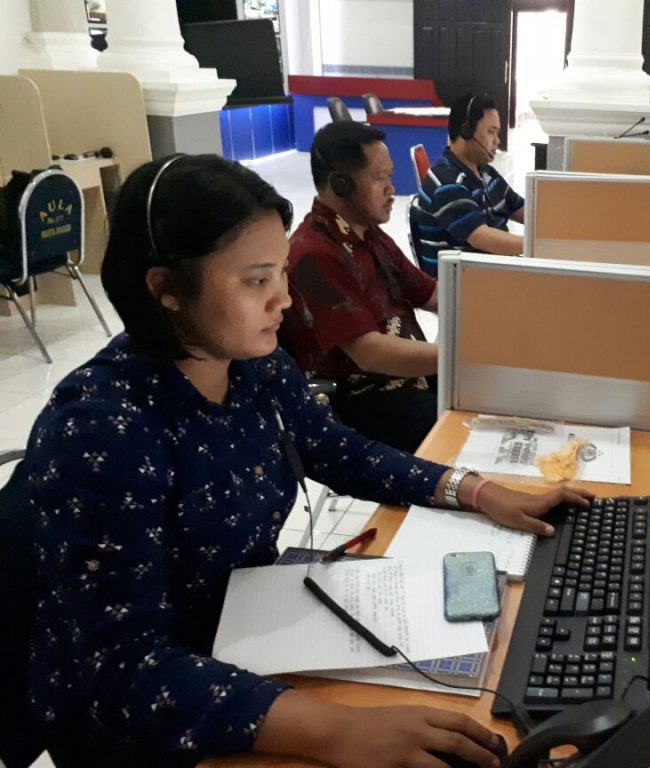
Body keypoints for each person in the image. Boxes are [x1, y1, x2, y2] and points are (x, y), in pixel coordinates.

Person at [24, 153, 591, 768]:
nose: (286, 301)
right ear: (166, 290)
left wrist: (476, 491)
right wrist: (337, 729)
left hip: (245, 639)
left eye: (282, 274)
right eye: (257, 281)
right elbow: (123, 670)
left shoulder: (254, 366)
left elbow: (339, 450)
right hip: (152, 715)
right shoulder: (102, 429)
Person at [283, 121, 440, 453]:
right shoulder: (313, 254)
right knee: (471, 431)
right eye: (380, 178)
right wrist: (464, 357)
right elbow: (370, 353)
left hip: (407, 380)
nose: (392, 188)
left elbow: (430, 293)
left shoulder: (370, 234)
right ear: (340, 184)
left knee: (496, 394)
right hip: (364, 398)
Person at [410, 92, 525, 267]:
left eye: (497, 133)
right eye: (491, 132)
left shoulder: (485, 172)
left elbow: (521, 209)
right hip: (462, 278)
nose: (497, 141)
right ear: (466, 131)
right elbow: (481, 237)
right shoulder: (447, 182)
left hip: (489, 270)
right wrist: (537, 247)